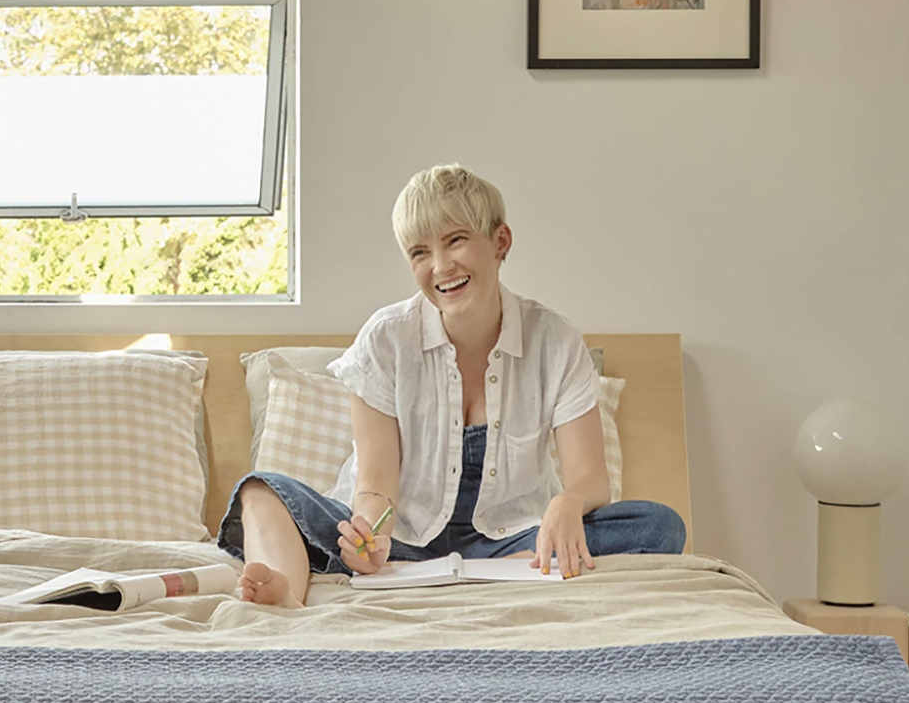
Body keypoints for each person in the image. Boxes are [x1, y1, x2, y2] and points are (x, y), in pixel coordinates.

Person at [219, 164, 687, 607]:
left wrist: (567, 502)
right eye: (420, 252)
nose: (440, 266)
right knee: (260, 490)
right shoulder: (385, 339)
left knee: (658, 525)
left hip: (513, 536)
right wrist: (371, 535)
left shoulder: (556, 341)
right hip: (401, 539)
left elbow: (590, 478)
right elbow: (376, 484)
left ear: (500, 241)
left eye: (456, 240)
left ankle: (502, 566)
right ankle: (283, 587)